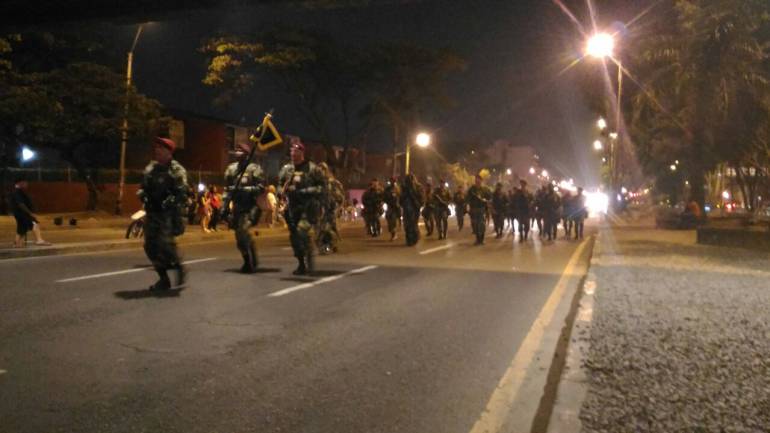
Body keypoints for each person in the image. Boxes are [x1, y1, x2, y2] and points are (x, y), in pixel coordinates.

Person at [137, 137, 188, 291]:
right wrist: (142, 194)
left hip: (169, 214)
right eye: (156, 148)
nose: (157, 151)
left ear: (169, 152)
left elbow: (182, 192)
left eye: (161, 148)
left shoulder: (177, 170)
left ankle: (177, 265)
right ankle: (163, 279)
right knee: (150, 246)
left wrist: (169, 201)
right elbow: (142, 187)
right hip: (152, 212)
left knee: (165, 243)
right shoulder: (151, 168)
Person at [279, 137, 326, 275]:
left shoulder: (313, 169)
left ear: (302, 153)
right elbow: (279, 184)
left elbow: (322, 187)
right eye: (291, 153)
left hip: (308, 207)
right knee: (294, 237)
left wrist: (304, 191)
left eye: (296, 153)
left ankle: (309, 251)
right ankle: (301, 263)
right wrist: (280, 192)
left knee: (302, 231)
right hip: (292, 208)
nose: (293, 156)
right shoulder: (287, 169)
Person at [224, 141, 265, 273]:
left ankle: (249, 262)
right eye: (236, 150)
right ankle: (248, 257)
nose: (237, 153)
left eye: (240, 151)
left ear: (247, 154)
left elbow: (261, 187)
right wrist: (223, 206)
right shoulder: (231, 169)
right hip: (237, 208)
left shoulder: (254, 169)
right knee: (239, 238)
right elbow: (227, 190)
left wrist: (246, 189)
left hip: (250, 207)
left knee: (243, 232)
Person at [9, 178, 51, 247]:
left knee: (22, 228)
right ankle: (39, 240)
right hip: (22, 213)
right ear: (20, 183)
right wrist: (30, 213)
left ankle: (16, 243)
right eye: (25, 183)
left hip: (20, 214)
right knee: (34, 223)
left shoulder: (19, 191)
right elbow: (21, 204)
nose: (27, 184)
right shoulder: (17, 192)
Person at [317, 162, 344, 253]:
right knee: (321, 229)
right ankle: (326, 245)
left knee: (328, 228)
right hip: (320, 209)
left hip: (331, 209)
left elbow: (340, 196)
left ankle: (330, 244)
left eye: (322, 170)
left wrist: (338, 206)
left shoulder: (333, 182)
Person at [466, 174, 492, 245]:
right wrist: (467, 206)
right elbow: (467, 198)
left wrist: (486, 200)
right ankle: (477, 239)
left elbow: (490, 197)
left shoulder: (485, 189)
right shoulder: (472, 189)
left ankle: (482, 239)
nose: (477, 181)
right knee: (475, 225)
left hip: (481, 209)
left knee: (482, 224)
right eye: (476, 179)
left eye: (479, 179)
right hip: (474, 209)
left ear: (481, 180)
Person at [399, 173, 424, 246]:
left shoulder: (418, 187)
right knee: (407, 225)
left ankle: (414, 238)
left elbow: (421, 197)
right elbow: (401, 198)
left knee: (413, 225)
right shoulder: (404, 187)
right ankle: (408, 239)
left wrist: (418, 204)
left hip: (414, 208)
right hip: (406, 208)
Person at [383, 177, 402, 241]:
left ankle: (394, 234)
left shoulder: (398, 188)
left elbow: (401, 197)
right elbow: (384, 197)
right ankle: (393, 233)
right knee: (389, 220)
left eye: (394, 181)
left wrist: (399, 203)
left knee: (393, 220)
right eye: (391, 181)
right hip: (390, 207)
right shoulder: (387, 189)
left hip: (396, 207)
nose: (393, 182)